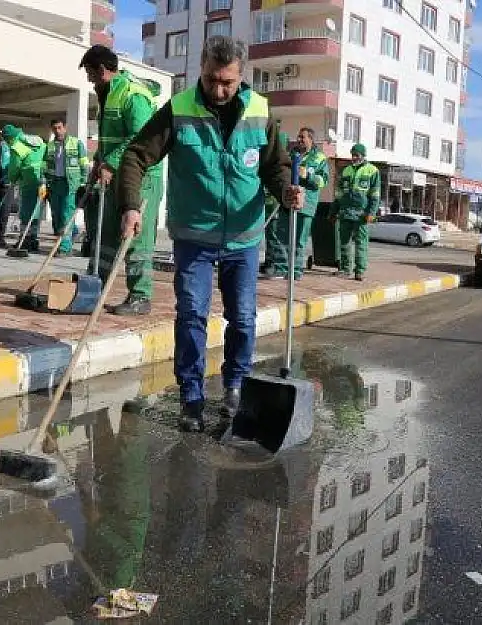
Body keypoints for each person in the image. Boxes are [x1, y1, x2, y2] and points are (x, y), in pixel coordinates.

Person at [116, 35, 304, 432]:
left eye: (228, 83)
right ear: (200, 71)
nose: (218, 90)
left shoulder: (260, 112)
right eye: (211, 80)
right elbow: (136, 155)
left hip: (244, 237)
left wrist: (285, 189)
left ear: (241, 77)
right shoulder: (179, 109)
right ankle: (191, 396)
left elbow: (275, 166)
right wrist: (131, 204)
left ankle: (236, 383)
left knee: (243, 318)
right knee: (191, 316)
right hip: (194, 235)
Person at [80, 44, 165, 316]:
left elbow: (140, 137)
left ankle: (140, 296)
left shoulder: (132, 94)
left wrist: (111, 162)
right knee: (105, 233)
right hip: (114, 174)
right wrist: (98, 163)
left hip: (141, 177)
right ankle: (96, 287)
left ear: (103, 70)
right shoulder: (107, 94)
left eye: (91, 73)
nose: (89, 79)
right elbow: (110, 138)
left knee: (136, 238)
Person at [266, 127, 328, 280]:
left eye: (303, 137)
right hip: (288, 200)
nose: (299, 139)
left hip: (306, 204)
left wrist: (307, 174)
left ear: (311, 139)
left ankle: (296, 270)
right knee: (282, 235)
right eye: (298, 136)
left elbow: (323, 181)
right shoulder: (291, 154)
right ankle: (281, 268)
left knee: (299, 239)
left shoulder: (319, 158)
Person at [333, 143, 381, 281]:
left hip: (362, 214)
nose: (354, 157)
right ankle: (345, 269)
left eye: (357, 155)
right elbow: (339, 193)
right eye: (352, 155)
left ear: (363, 155)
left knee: (361, 243)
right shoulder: (346, 170)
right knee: (344, 242)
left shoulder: (372, 171)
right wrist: (333, 211)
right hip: (345, 212)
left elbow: (375, 194)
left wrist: (371, 212)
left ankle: (359, 271)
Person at [43, 118, 91, 255]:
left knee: (66, 215)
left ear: (65, 127)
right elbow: (45, 165)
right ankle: (72, 233)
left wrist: (83, 182)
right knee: (57, 216)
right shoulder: (50, 146)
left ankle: (64, 247)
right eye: (54, 128)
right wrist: (43, 180)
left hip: (70, 184)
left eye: (59, 127)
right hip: (54, 184)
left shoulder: (76, 143)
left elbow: (84, 164)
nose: (57, 131)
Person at [2, 124, 46, 252]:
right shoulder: (36, 140)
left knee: (26, 211)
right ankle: (33, 238)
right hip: (40, 179)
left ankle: (25, 239)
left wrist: (12, 178)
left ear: (8, 138)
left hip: (28, 180)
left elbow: (14, 167)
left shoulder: (17, 146)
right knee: (36, 211)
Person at [260, 120, 290, 276]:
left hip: (277, 202)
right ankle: (270, 262)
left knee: (276, 235)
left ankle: (278, 265)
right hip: (266, 202)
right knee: (268, 235)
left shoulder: (280, 144)